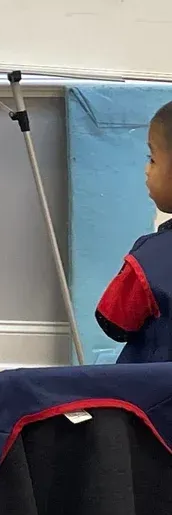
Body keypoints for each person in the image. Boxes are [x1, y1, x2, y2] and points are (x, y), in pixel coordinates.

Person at [95, 100, 172, 362]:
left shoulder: (150, 257)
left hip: (154, 395)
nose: (146, 169)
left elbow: (114, 324)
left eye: (152, 158)